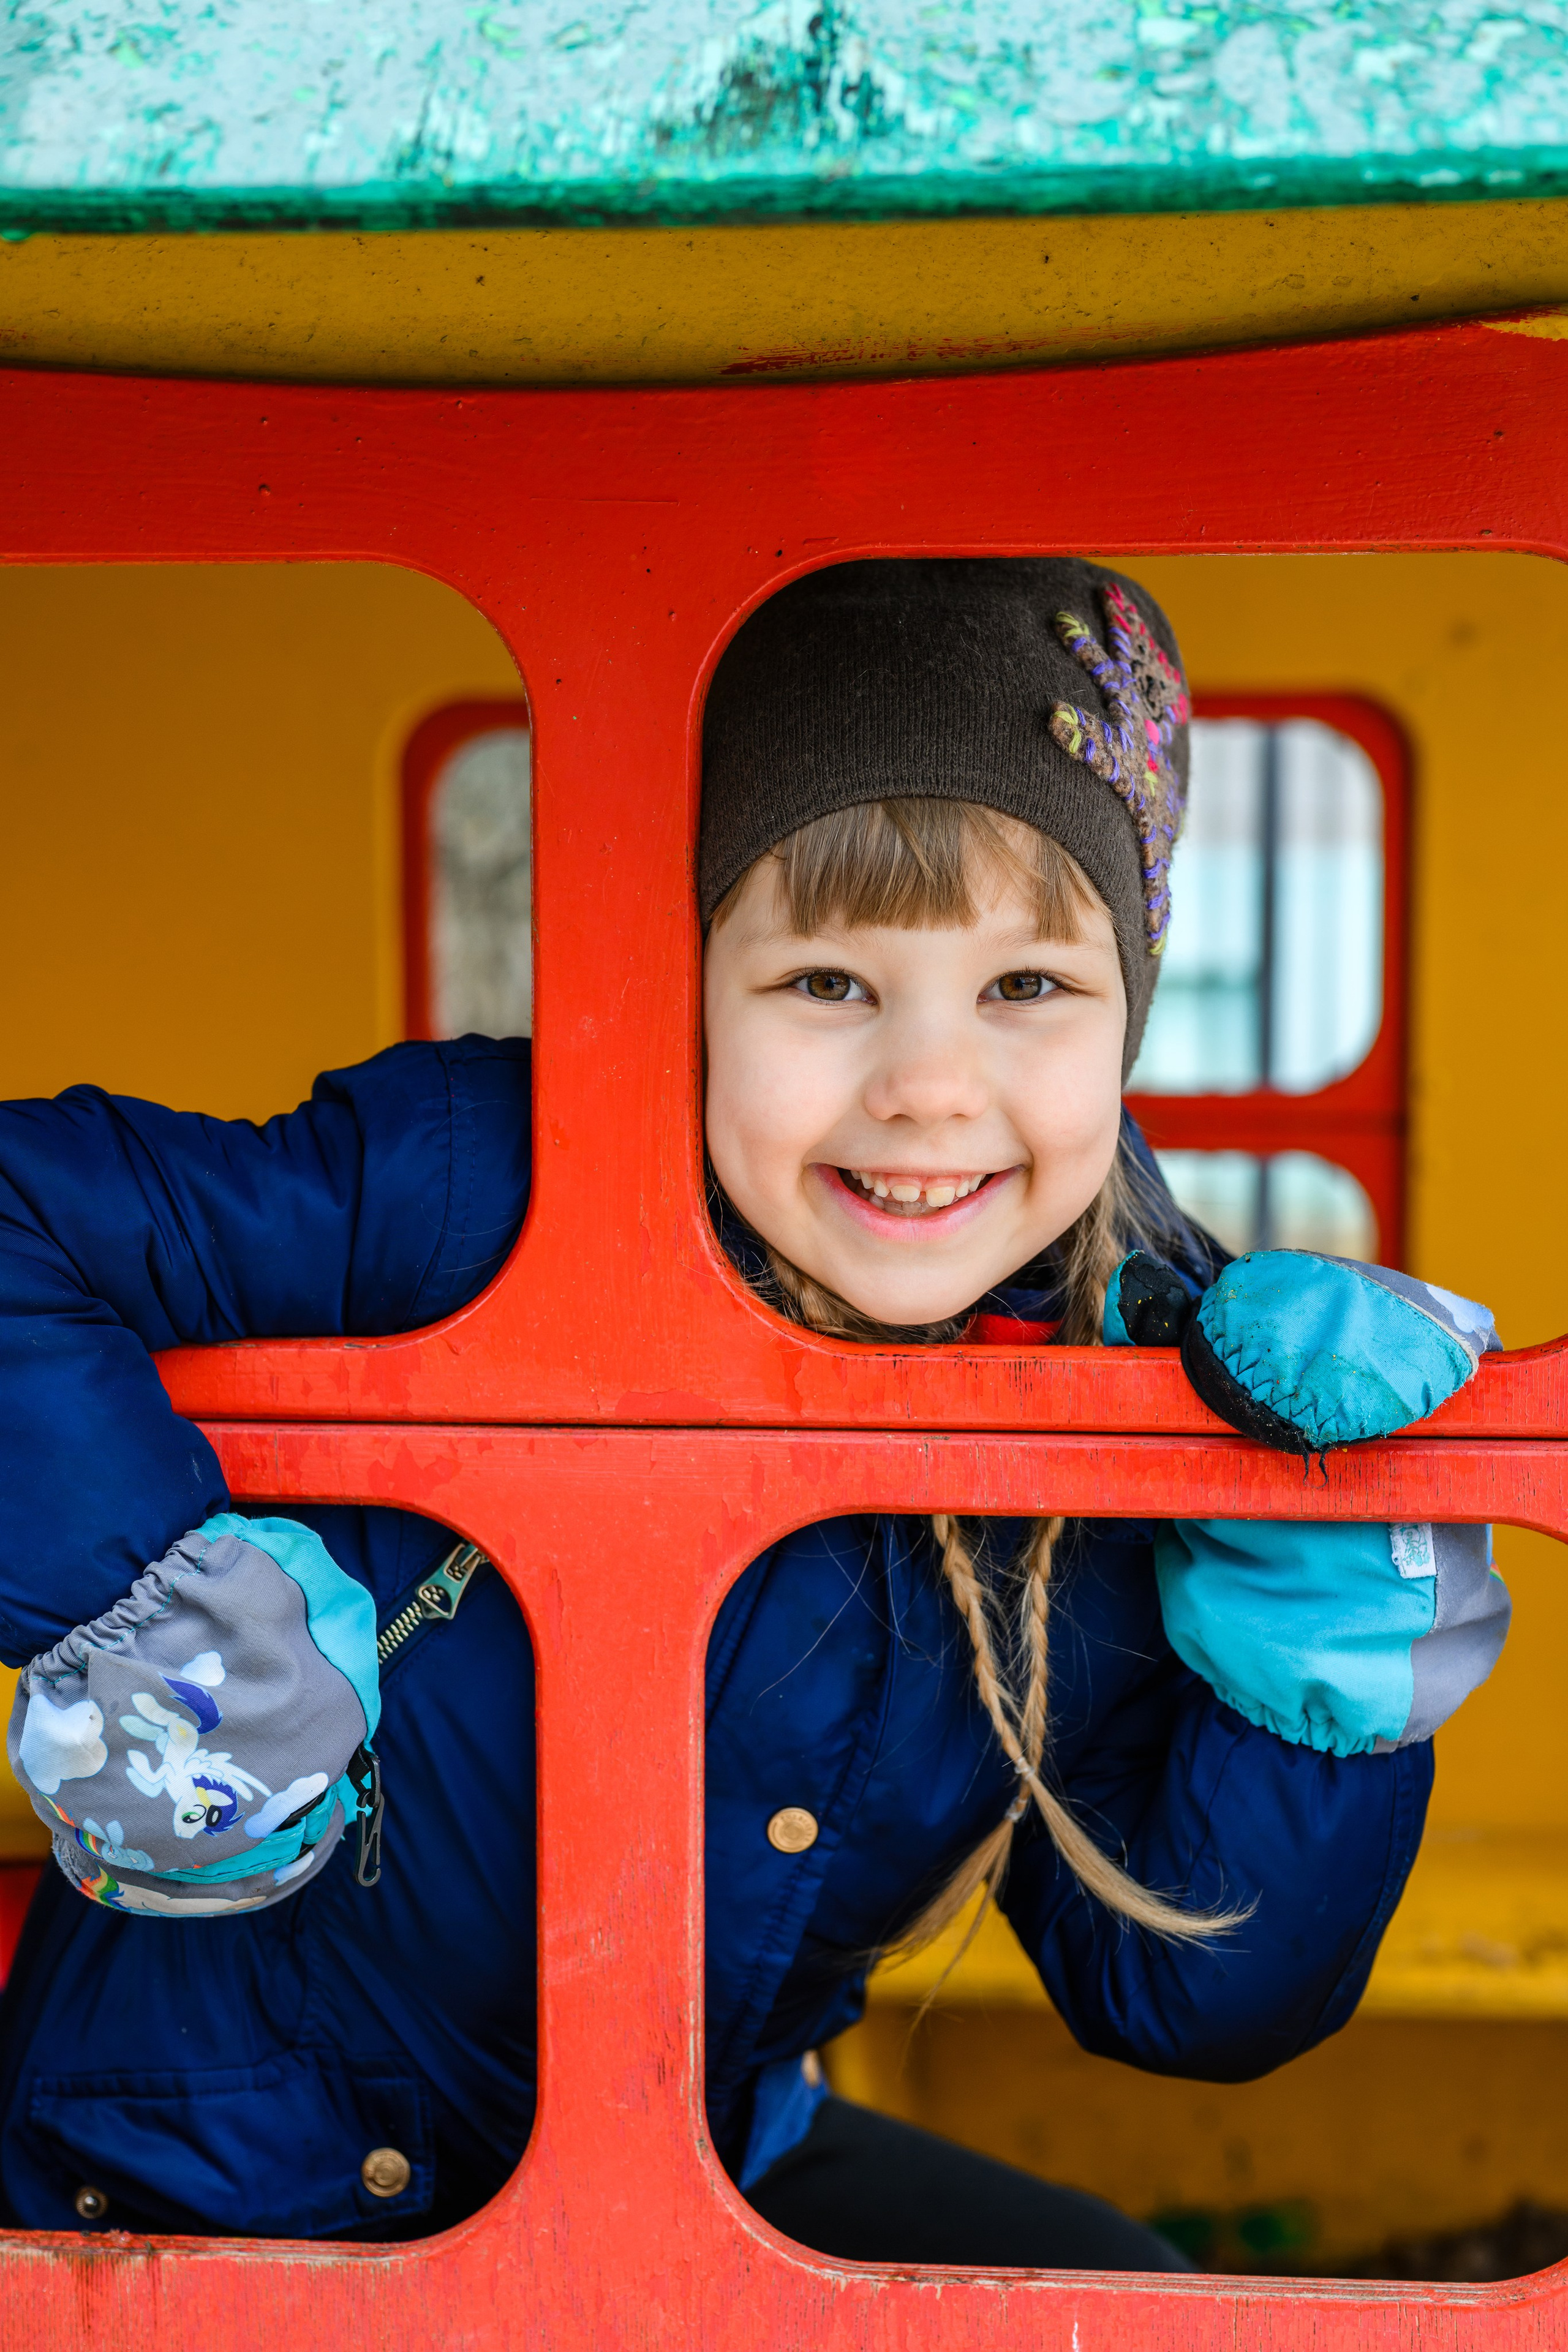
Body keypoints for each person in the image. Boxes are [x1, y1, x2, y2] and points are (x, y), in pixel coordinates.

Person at [0, 559, 1509, 2264]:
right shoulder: (466, 1187)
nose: (928, 1088)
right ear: (688, 980)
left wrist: (1316, 1663)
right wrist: (154, 1629)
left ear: (1129, 1019)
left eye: (1028, 987)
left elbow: (1189, 1999)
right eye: (828, 984)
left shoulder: (1138, 1364)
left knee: (1133, 2302)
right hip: (203, 2174)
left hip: (691, 2166)